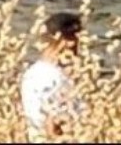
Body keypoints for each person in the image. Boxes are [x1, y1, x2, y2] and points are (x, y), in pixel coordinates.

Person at [21, 11, 86, 142]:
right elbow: (52, 124)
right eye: (72, 37)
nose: (76, 45)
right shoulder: (47, 76)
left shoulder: (38, 72)